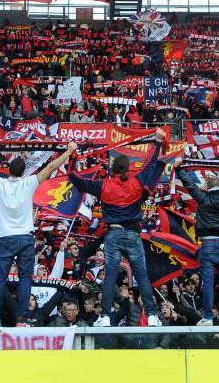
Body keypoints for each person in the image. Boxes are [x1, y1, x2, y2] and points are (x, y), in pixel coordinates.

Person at [0, 141, 77, 327]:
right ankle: (22, 319)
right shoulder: (29, 182)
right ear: (23, 171)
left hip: (6, 238)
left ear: (8, 170)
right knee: (25, 279)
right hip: (26, 238)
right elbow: (51, 167)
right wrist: (68, 151)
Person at [68, 128, 168, 327]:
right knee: (141, 275)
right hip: (132, 234)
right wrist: (157, 142)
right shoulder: (137, 181)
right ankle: (152, 315)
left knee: (110, 277)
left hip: (113, 234)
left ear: (112, 169)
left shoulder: (103, 185)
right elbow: (149, 164)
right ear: (128, 168)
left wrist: (71, 156)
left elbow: (74, 178)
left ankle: (105, 316)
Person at [174, 160, 219, 325]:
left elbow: (189, 185)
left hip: (207, 245)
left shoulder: (203, 198)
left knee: (208, 283)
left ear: (208, 185)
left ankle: (208, 317)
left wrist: (178, 169)